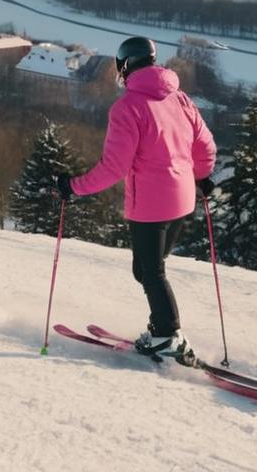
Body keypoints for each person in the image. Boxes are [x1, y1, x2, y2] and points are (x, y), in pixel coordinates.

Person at [56, 36, 216, 365]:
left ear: (124, 66)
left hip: (151, 206)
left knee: (150, 270)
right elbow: (206, 147)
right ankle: (163, 329)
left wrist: (74, 186)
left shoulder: (127, 108)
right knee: (146, 269)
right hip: (183, 199)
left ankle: (167, 334)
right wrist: (200, 176)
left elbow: (114, 167)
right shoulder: (181, 98)